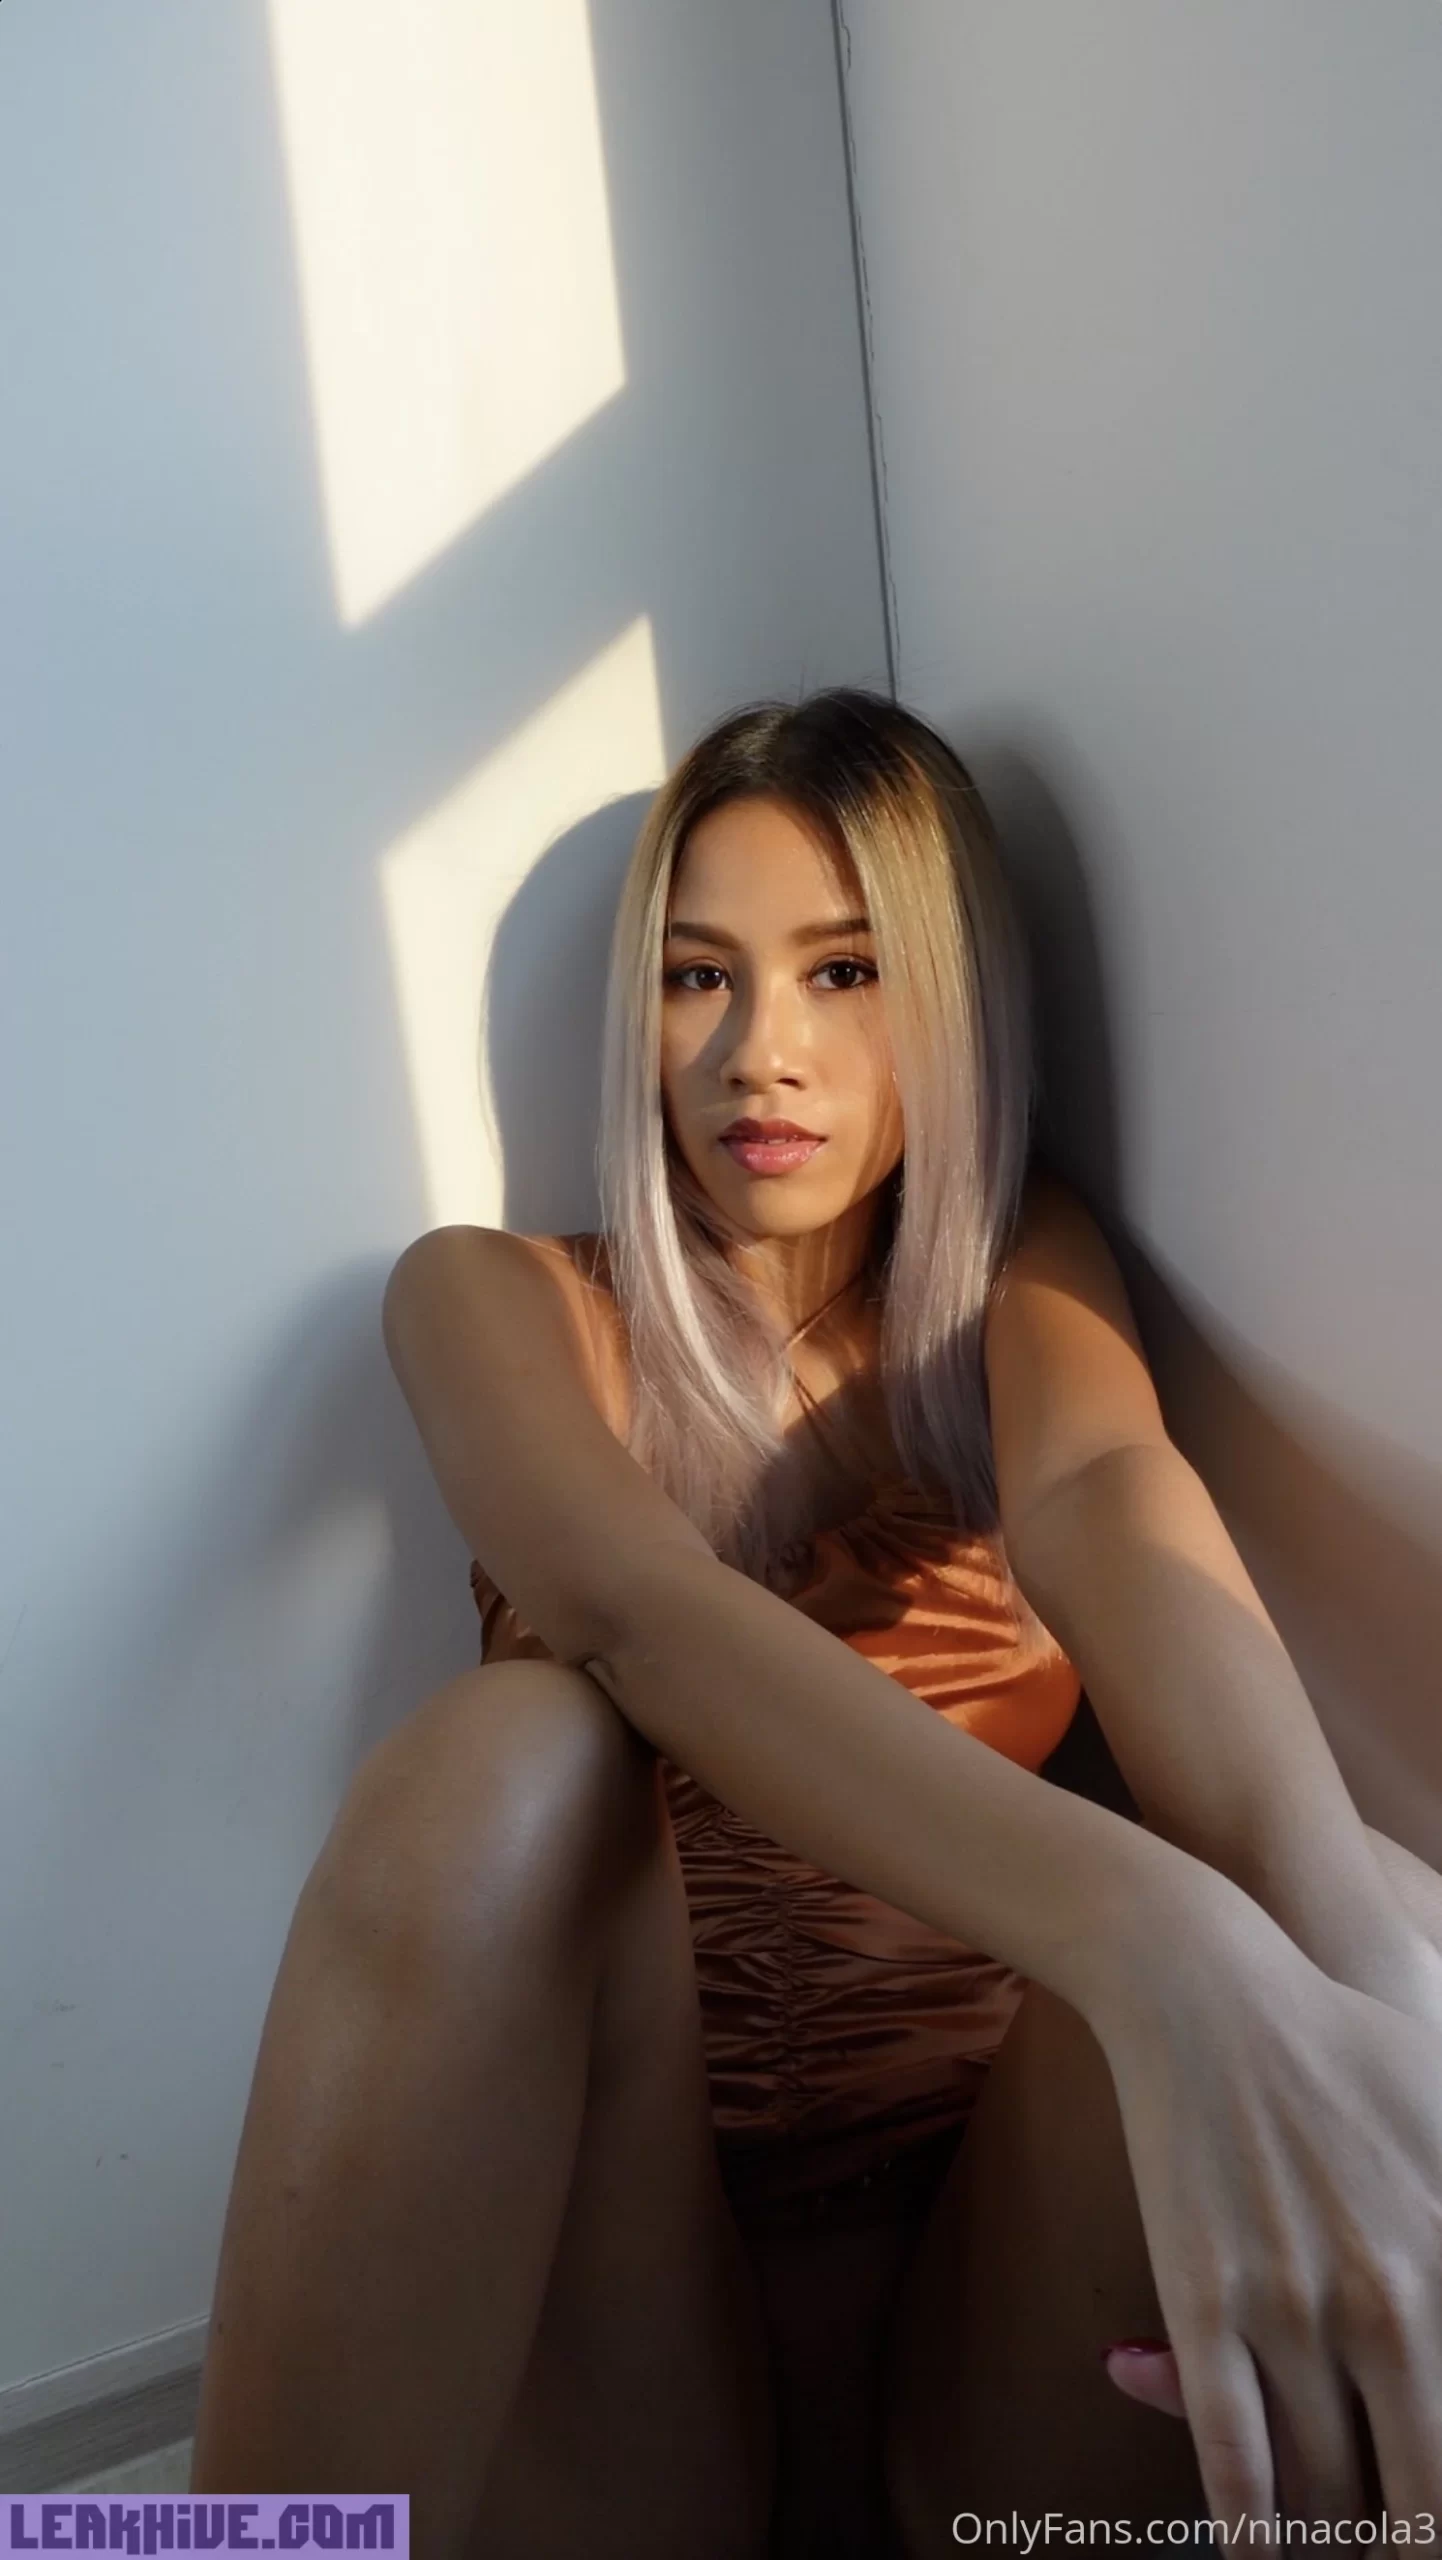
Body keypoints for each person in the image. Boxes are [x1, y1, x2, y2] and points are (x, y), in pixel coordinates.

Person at [191, 689, 1442, 2556]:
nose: (757, 1053)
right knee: (507, 1750)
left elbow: (1110, 1506)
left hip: (996, 2368)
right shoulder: (491, 1299)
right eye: (698, 977)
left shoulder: (1021, 1276)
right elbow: (631, 1613)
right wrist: (1169, 1945)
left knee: (1350, 1895)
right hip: (635, 2352)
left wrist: (1353, 1959)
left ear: (951, 1005)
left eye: (843, 972)